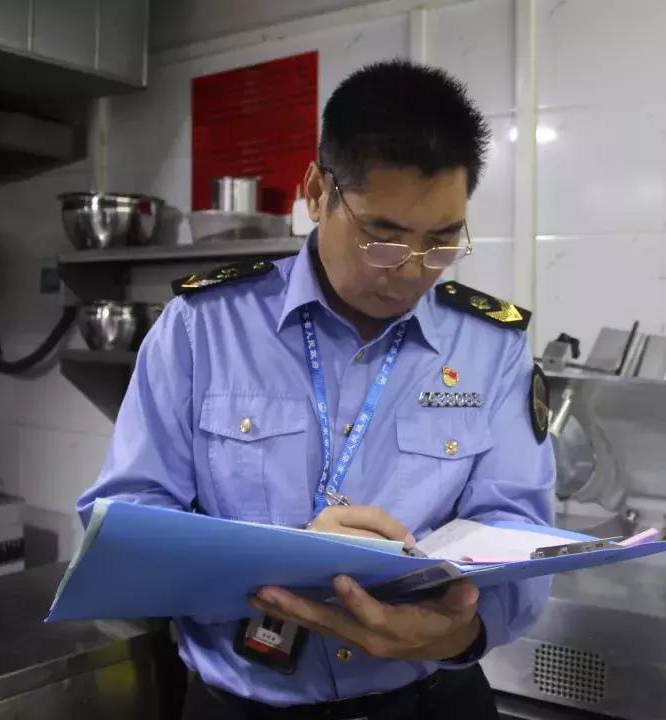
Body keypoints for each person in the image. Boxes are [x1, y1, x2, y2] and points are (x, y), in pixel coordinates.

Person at [77, 60, 556, 719]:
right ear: (316, 193)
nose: (411, 273)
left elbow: (518, 525)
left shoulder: (491, 345)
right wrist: (291, 559)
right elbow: (124, 523)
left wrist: (462, 630)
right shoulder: (204, 327)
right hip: (244, 705)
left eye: (442, 242)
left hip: (429, 700)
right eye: (383, 239)